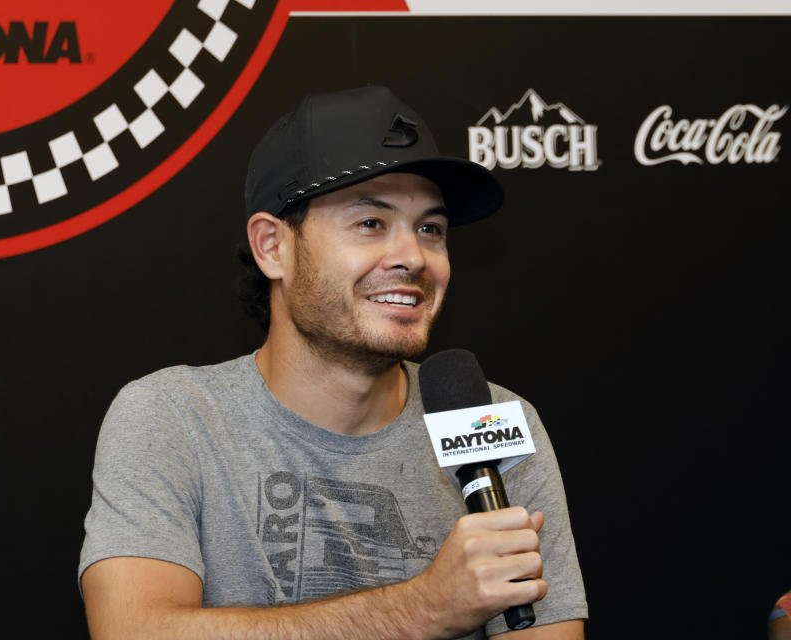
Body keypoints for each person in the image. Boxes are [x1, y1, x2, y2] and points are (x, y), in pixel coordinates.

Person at [78, 85, 588, 639]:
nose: (413, 257)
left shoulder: (498, 419)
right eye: (370, 223)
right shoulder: (172, 417)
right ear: (273, 246)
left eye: (430, 229)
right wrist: (420, 609)